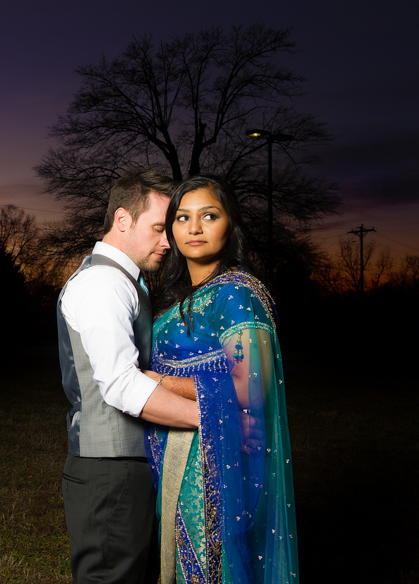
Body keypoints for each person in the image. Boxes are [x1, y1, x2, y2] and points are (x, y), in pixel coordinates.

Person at [143, 175, 299, 584]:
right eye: (182, 217)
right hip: (176, 448)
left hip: (213, 458)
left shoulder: (236, 294)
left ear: (230, 224)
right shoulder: (183, 296)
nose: (193, 228)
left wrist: (158, 381)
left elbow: (251, 388)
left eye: (208, 215)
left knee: (215, 567)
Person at [57, 168, 201, 584]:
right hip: (109, 472)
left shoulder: (120, 281)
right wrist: (209, 417)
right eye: (159, 228)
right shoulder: (103, 283)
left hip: (120, 469)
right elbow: (121, 383)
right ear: (123, 220)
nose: (167, 242)